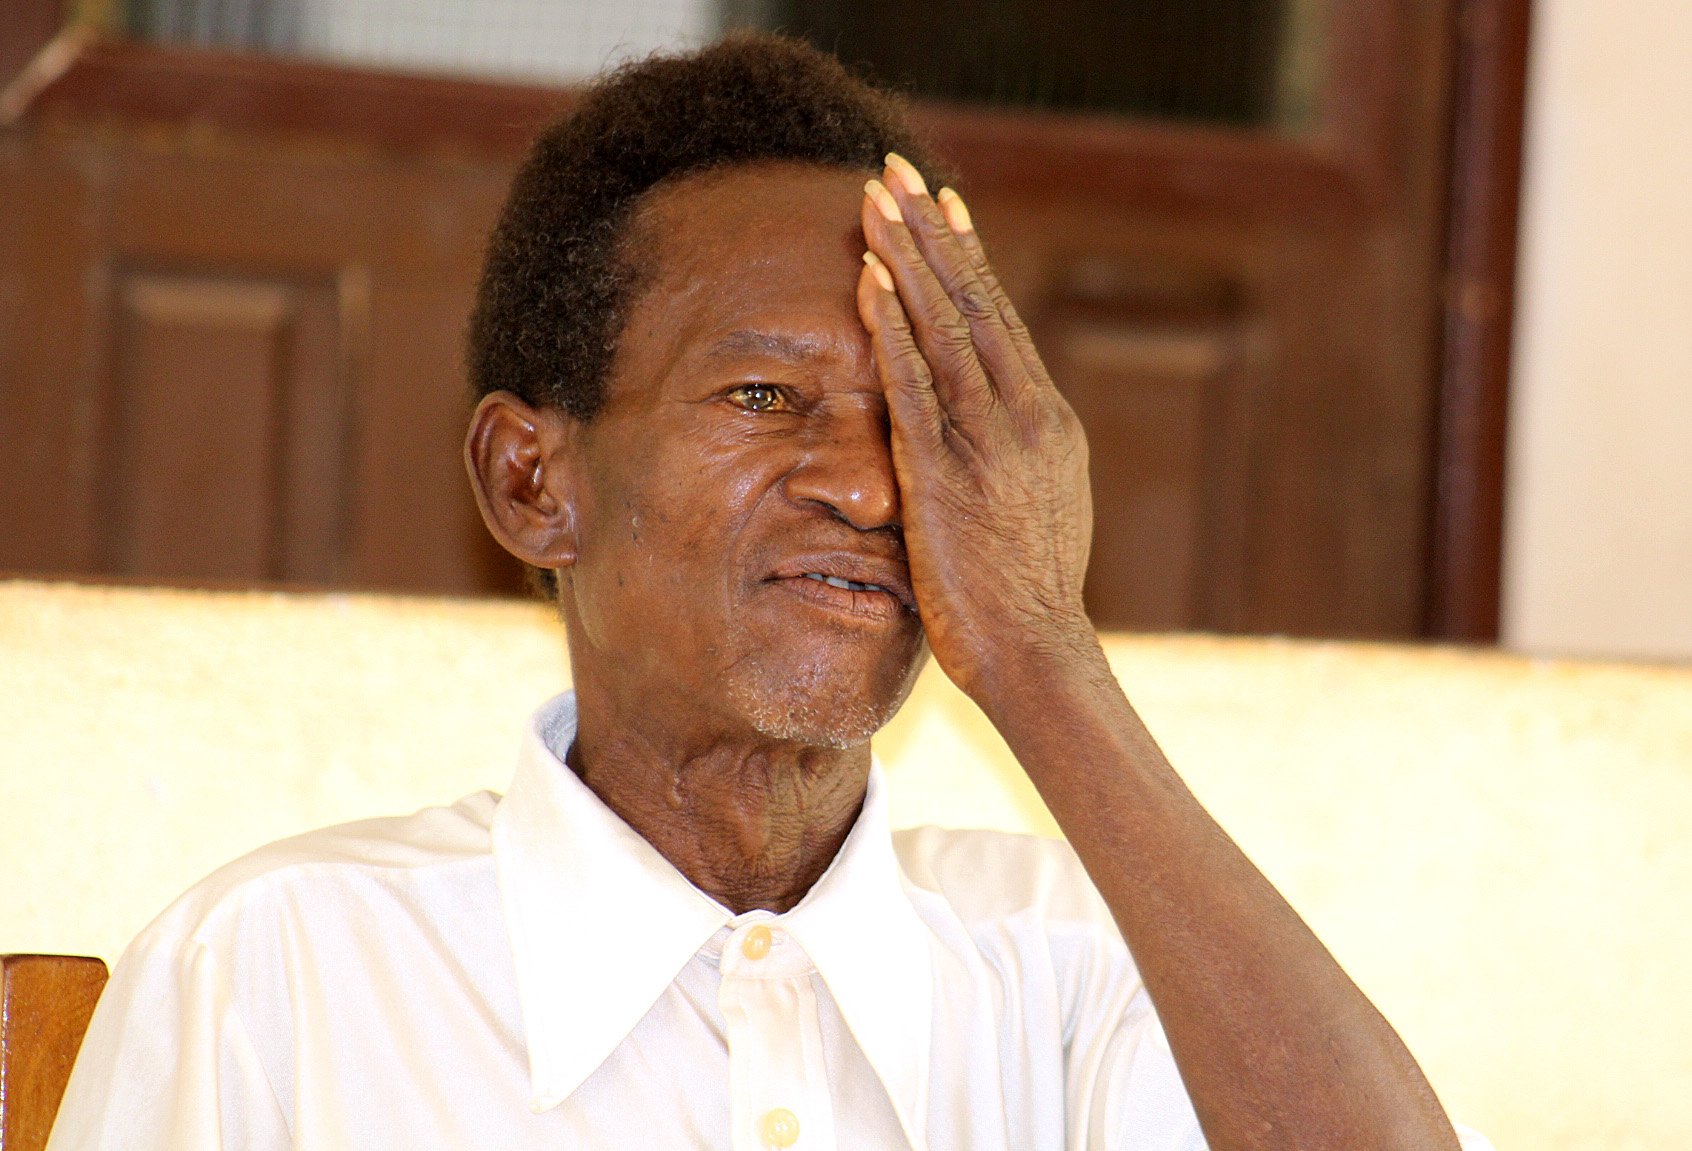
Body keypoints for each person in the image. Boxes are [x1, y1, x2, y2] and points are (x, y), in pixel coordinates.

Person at [49, 34, 1491, 1151]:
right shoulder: (286, 972)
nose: (867, 488)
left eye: (912, 415)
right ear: (530, 482)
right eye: (764, 396)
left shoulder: (1083, 967)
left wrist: (1047, 663)